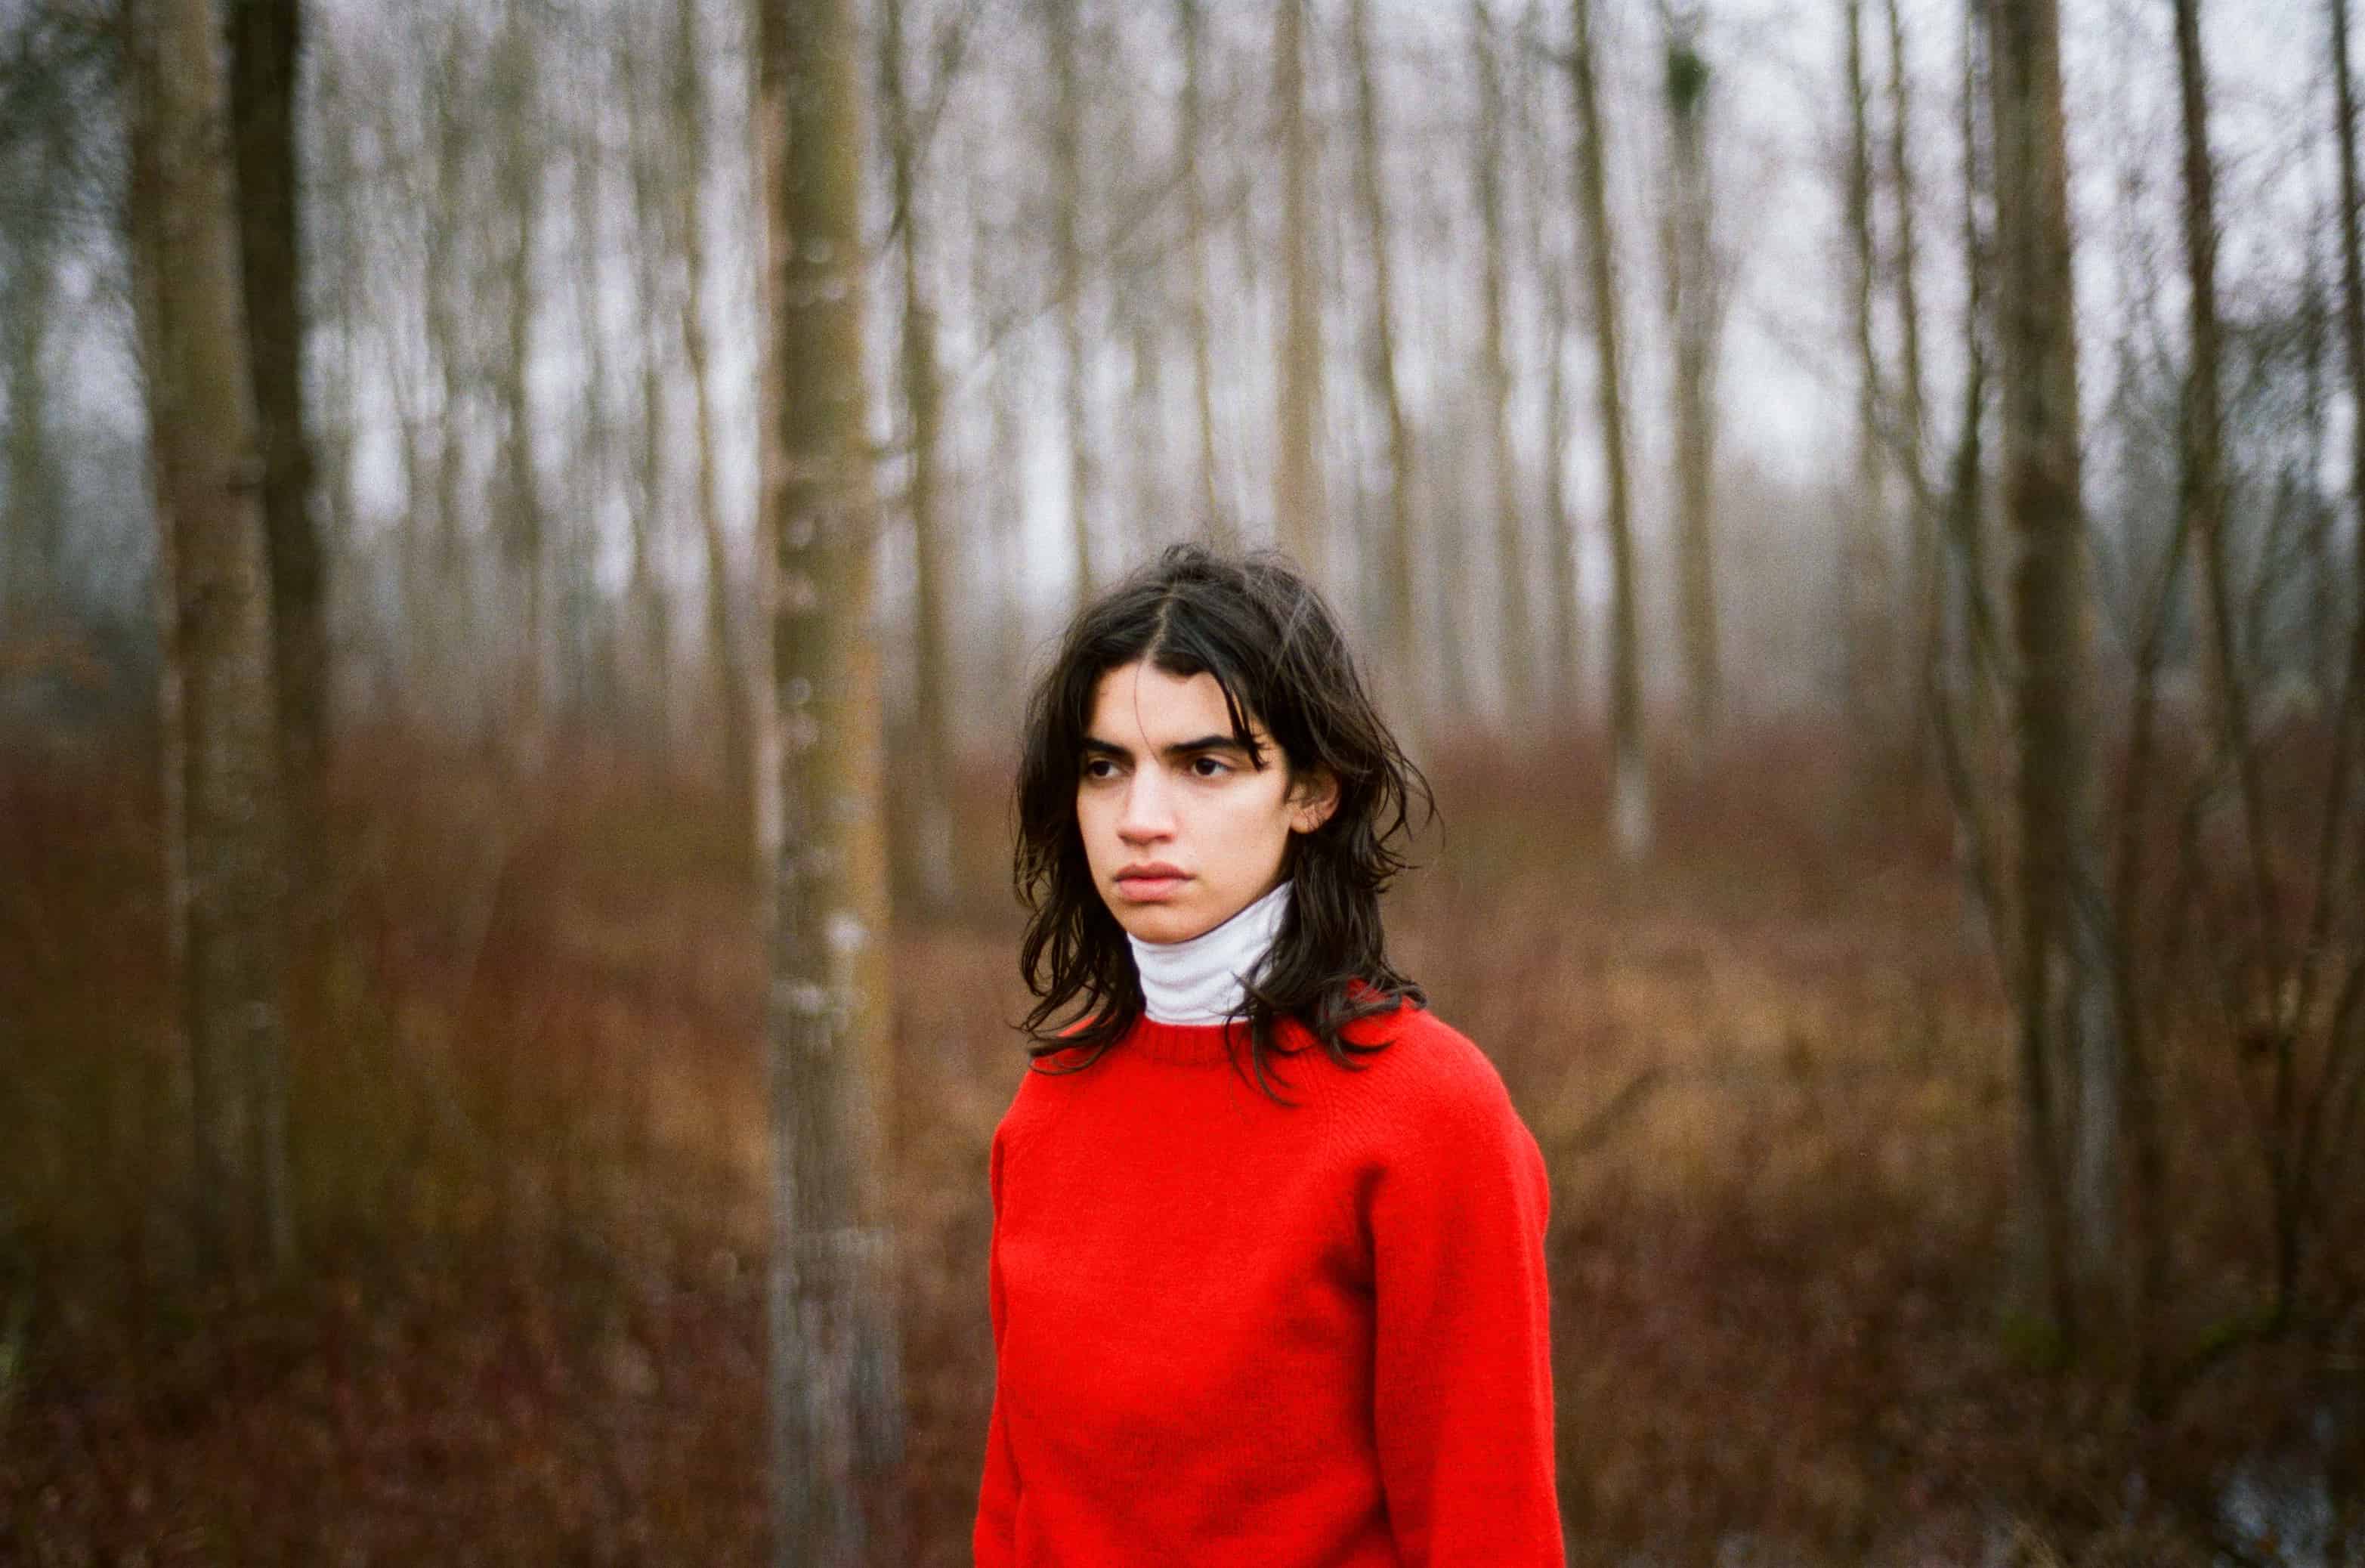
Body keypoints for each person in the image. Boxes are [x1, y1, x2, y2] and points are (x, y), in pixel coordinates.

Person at [972, 542, 1563, 1566]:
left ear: (1312, 792)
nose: (1139, 820)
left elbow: (1488, 1525)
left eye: (1204, 765)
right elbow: (1014, 1508)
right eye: (1105, 767)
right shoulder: (1049, 1105)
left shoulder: (1430, 1114)